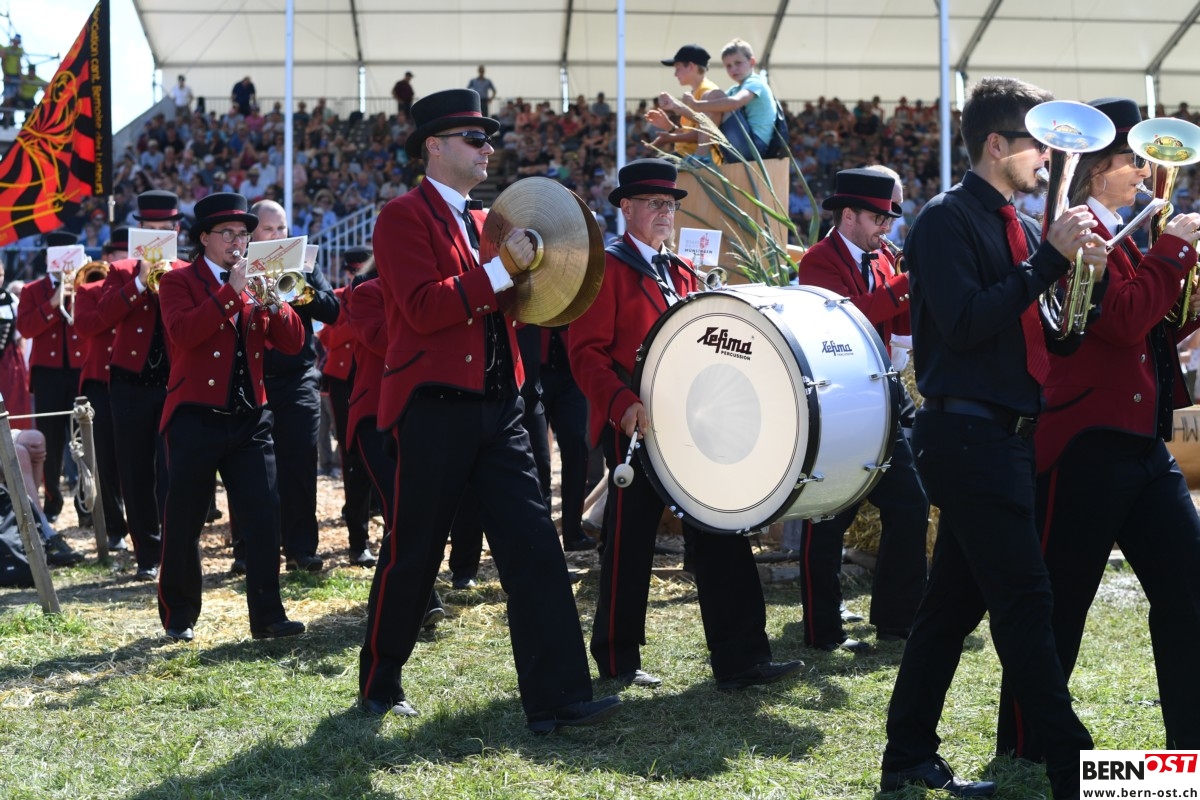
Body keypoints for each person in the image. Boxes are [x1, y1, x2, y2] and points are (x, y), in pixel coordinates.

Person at [356, 88, 619, 732]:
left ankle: (559, 697)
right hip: (433, 409)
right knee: (416, 550)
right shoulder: (400, 217)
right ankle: (380, 680)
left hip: (500, 407)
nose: (487, 150)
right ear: (434, 147)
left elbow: (515, 304)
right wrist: (503, 271)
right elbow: (423, 308)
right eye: (474, 139)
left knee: (534, 547)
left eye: (488, 140)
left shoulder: (488, 221)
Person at [879, 76, 1106, 799]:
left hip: (1001, 438)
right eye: (1038, 144)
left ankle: (907, 754)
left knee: (949, 609)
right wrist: (1047, 263)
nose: (1048, 158)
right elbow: (966, 322)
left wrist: (1083, 283)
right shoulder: (945, 221)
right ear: (996, 145)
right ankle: (1078, 769)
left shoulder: (1020, 226)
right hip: (968, 436)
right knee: (1026, 602)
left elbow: (1053, 341)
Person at [996, 97, 1200, 757]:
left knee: (1190, 588)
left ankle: (1190, 743)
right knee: (1060, 603)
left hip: (1141, 443)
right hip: (1085, 443)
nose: (1145, 172)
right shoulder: (1079, 230)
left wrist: (1187, 279)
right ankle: (1026, 743)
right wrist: (1174, 251)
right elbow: (1122, 321)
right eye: (1131, 162)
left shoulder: (1132, 235)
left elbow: (1158, 326)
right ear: (1095, 171)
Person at [568, 157, 803, 690]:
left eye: (670, 204)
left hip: (694, 425)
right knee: (629, 543)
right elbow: (585, 355)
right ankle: (617, 658)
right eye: (654, 203)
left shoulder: (681, 271)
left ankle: (742, 658)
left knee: (723, 529)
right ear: (626, 209)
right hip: (637, 426)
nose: (664, 212)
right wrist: (621, 403)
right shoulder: (607, 269)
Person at [155, 192, 306, 643]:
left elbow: (293, 343)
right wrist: (230, 293)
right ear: (204, 238)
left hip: (249, 417)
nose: (238, 242)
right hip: (195, 417)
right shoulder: (178, 280)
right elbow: (184, 333)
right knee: (185, 520)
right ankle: (179, 615)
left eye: (243, 234)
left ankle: (268, 616)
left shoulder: (256, 279)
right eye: (228, 234)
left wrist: (276, 302)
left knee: (263, 515)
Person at [796, 168, 928, 652]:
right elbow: (845, 321)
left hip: (880, 393)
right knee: (829, 513)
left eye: (889, 218)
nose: (886, 227)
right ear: (848, 215)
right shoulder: (818, 261)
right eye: (878, 218)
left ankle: (897, 618)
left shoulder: (883, 257)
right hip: (838, 401)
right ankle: (822, 628)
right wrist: (906, 285)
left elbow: (898, 317)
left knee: (909, 503)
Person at [91, 190, 188, 581]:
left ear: (176, 230)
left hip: (174, 381)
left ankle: (174, 548)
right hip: (130, 383)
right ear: (140, 231)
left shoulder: (186, 269)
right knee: (134, 470)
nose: (159, 234)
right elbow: (102, 317)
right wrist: (138, 282)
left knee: (173, 470)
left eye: (165, 228)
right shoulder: (120, 270)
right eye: (151, 228)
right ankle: (147, 553)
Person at [247, 199, 340, 572]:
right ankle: (249, 550)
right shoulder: (239, 266)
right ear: (252, 233)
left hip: (298, 376)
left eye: (281, 228)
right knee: (252, 467)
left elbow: (333, 310)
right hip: (253, 379)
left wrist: (302, 289)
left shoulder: (305, 264)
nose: (277, 235)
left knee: (301, 460)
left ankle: (301, 549)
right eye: (268, 229)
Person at [16, 231, 86, 523]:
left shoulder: (86, 285)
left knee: (84, 439)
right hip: (48, 373)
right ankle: (53, 501)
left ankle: (86, 504)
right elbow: (26, 328)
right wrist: (53, 303)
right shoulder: (33, 290)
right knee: (50, 440)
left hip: (81, 370)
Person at [71, 230, 130, 556]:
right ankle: (114, 527)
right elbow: (85, 326)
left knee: (141, 459)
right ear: (108, 258)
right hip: (100, 381)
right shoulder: (90, 289)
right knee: (105, 459)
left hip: (137, 381)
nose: (125, 260)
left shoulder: (150, 288)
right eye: (120, 254)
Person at [657, 38, 777, 162]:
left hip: (756, 148)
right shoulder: (734, 90)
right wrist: (676, 106)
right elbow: (705, 119)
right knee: (714, 102)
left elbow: (735, 102)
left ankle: (701, 156)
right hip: (742, 145)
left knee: (714, 97)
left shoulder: (755, 82)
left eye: (738, 63)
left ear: (752, 62)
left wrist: (695, 105)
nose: (733, 69)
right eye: (728, 66)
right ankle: (701, 156)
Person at [645, 44, 724, 162]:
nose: (675, 74)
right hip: (686, 156)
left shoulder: (708, 91)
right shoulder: (696, 92)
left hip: (697, 161)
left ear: (691, 66)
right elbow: (691, 133)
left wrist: (670, 138)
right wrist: (669, 127)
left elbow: (704, 134)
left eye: (678, 68)